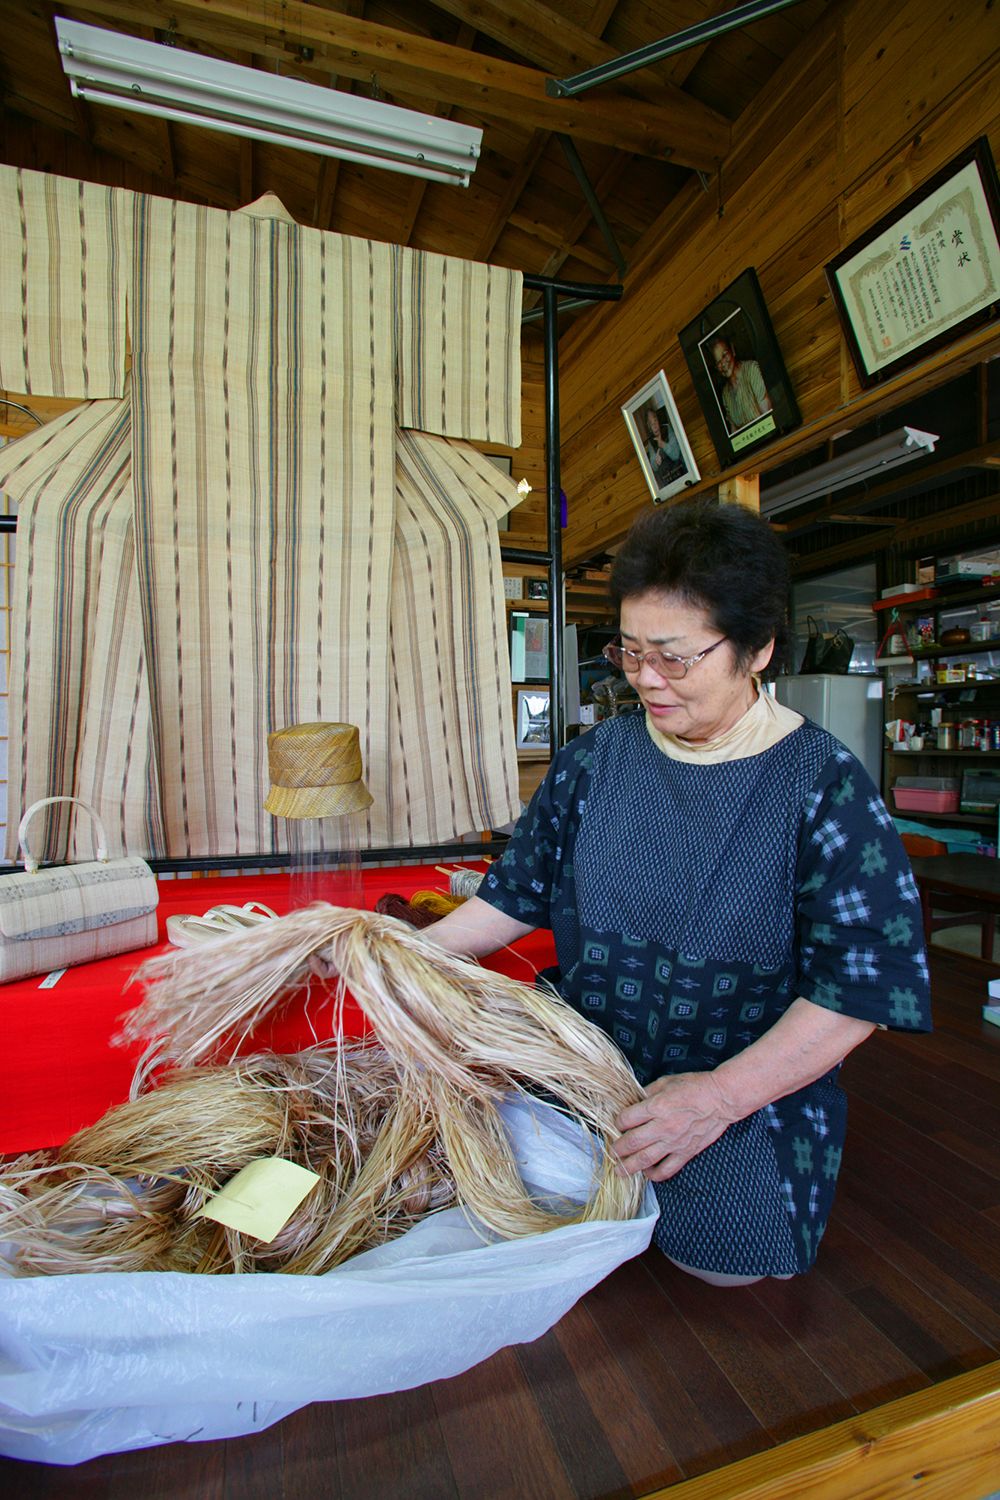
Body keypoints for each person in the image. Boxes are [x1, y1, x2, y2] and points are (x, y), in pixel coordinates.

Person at [427, 499, 930, 1286]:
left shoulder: (821, 785)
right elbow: (511, 897)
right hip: (588, 1064)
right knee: (503, 1216)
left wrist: (719, 1098)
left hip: (737, 1082)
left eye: (674, 658)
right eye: (628, 653)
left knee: (722, 1266)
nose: (646, 680)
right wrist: (386, 953)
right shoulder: (595, 761)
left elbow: (858, 991)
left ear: (757, 649)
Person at [709, 336, 772, 431]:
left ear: (733, 351)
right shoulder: (725, 394)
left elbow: (768, 419)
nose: (723, 363)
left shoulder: (751, 369)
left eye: (724, 355)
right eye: (718, 362)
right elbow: (734, 432)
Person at [644, 404, 682, 483]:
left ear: (658, 420)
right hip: (666, 479)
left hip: (679, 472)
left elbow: (676, 455)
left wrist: (663, 444)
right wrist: (656, 461)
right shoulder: (651, 441)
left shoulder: (667, 428)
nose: (654, 425)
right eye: (651, 423)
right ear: (649, 427)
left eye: (655, 421)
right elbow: (654, 466)